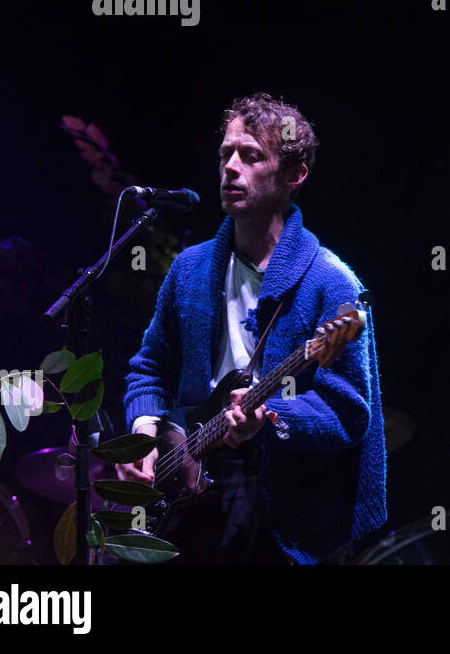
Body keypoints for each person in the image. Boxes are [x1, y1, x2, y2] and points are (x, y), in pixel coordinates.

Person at [117, 93, 387, 564]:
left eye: (251, 155)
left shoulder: (332, 282)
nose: (230, 167)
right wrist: (145, 437)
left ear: (294, 174)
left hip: (279, 500)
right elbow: (149, 366)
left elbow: (348, 410)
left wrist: (275, 418)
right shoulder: (190, 269)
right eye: (226, 154)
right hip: (189, 495)